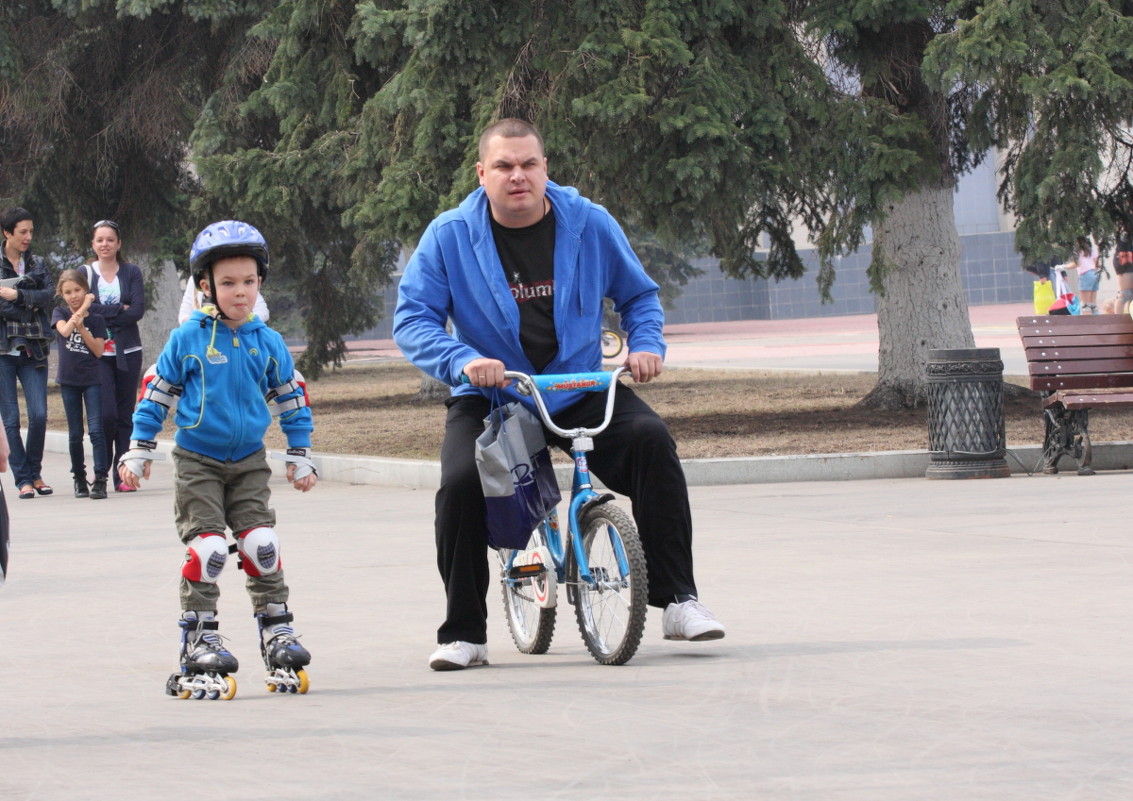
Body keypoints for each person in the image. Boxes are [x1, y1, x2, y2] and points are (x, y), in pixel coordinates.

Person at [393, 118, 725, 671]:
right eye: (503, 166)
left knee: (653, 443)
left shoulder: (588, 223)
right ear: (482, 174)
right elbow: (413, 318)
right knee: (459, 483)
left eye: (528, 164)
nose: (517, 176)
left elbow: (639, 296)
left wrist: (646, 346)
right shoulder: (449, 235)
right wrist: (464, 361)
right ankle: (465, 633)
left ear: (546, 169)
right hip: (495, 395)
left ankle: (678, 601)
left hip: (577, 386)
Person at [119, 220, 317, 695]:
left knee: (262, 544)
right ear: (205, 285)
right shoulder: (188, 339)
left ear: (260, 283)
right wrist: (139, 448)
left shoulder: (266, 342)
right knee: (207, 549)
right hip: (198, 461)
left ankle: (276, 630)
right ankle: (199, 637)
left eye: (248, 281)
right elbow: (157, 395)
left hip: (249, 460)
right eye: (228, 283)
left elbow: (293, 399)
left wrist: (300, 453)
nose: (240, 292)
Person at [83, 220, 146, 492]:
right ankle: (101, 471)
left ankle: (123, 474)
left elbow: (138, 310)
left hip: (128, 351)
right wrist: (120, 308)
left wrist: (104, 309)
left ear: (118, 244)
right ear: (93, 244)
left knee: (125, 415)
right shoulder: (84, 273)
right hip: (98, 354)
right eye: (100, 240)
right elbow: (84, 309)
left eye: (110, 239)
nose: (105, 244)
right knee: (106, 414)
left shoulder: (131, 271)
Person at [0, 207, 55, 500]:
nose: (28, 237)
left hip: (35, 347)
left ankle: (35, 473)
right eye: (22, 232)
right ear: (7, 232)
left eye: (31, 231)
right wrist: (27, 306)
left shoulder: (37, 262)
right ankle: (23, 478)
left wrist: (16, 295)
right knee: (10, 419)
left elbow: (48, 296)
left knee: (39, 414)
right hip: (3, 351)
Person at [52, 269, 109, 499]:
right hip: (68, 381)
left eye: (77, 290)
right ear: (62, 294)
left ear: (85, 289)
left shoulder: (96, 319)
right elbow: (65, 331)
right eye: (68, 292)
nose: (73, 295)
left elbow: (98, 350)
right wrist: (83, 308)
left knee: (96, 430)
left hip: (92, 380)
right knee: (75, 433)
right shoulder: (59, 312)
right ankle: (79, 478)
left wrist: (83, 325)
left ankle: (100, 479)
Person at [178, 276, 269, 323]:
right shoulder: (194, 280)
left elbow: (262, 311)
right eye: (227, 283)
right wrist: (198, 324)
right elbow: (184, 312)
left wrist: (243, 323)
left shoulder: (240, 276)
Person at [1074, 235, 1101, 314]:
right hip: (1094, 273)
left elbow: (1076, 264)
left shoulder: (1078, 252)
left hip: (1085, 274)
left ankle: (1088, 325)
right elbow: (1097, 263)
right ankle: (1097, 321)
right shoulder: (1091, 251)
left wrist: (1063, 266)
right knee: (1093, 303)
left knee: (1086, 304)